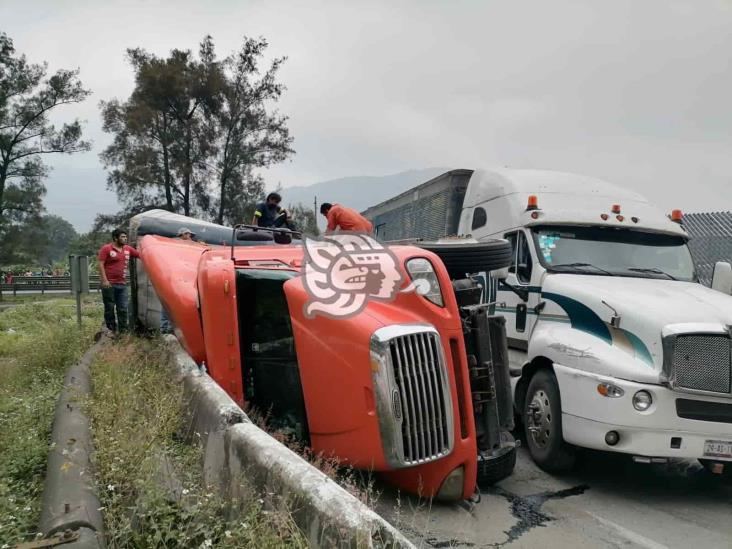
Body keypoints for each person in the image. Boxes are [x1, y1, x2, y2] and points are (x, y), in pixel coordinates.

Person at [98, 228, 140, 335]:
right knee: (110, 307)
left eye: (126, 237)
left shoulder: (128, 249)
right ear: (115, 238)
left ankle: (123, 332)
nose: (125, 239)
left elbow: (140, 255)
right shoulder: (107, 249)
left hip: (122, 284)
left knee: (122, 308)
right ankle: (111, 330)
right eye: (122, 237)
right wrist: (104, 280)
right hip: (109, 284)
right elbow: (101, 264)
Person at [160, 227, 200, 333]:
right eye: (188, 235)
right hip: (172, 279)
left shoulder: (188, 247)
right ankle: (165, 328)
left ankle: (172, 328)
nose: (190, 237)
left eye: (190, 235)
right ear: (182, 235)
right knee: (168, 302)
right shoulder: (173, 245)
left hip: (183, 280)